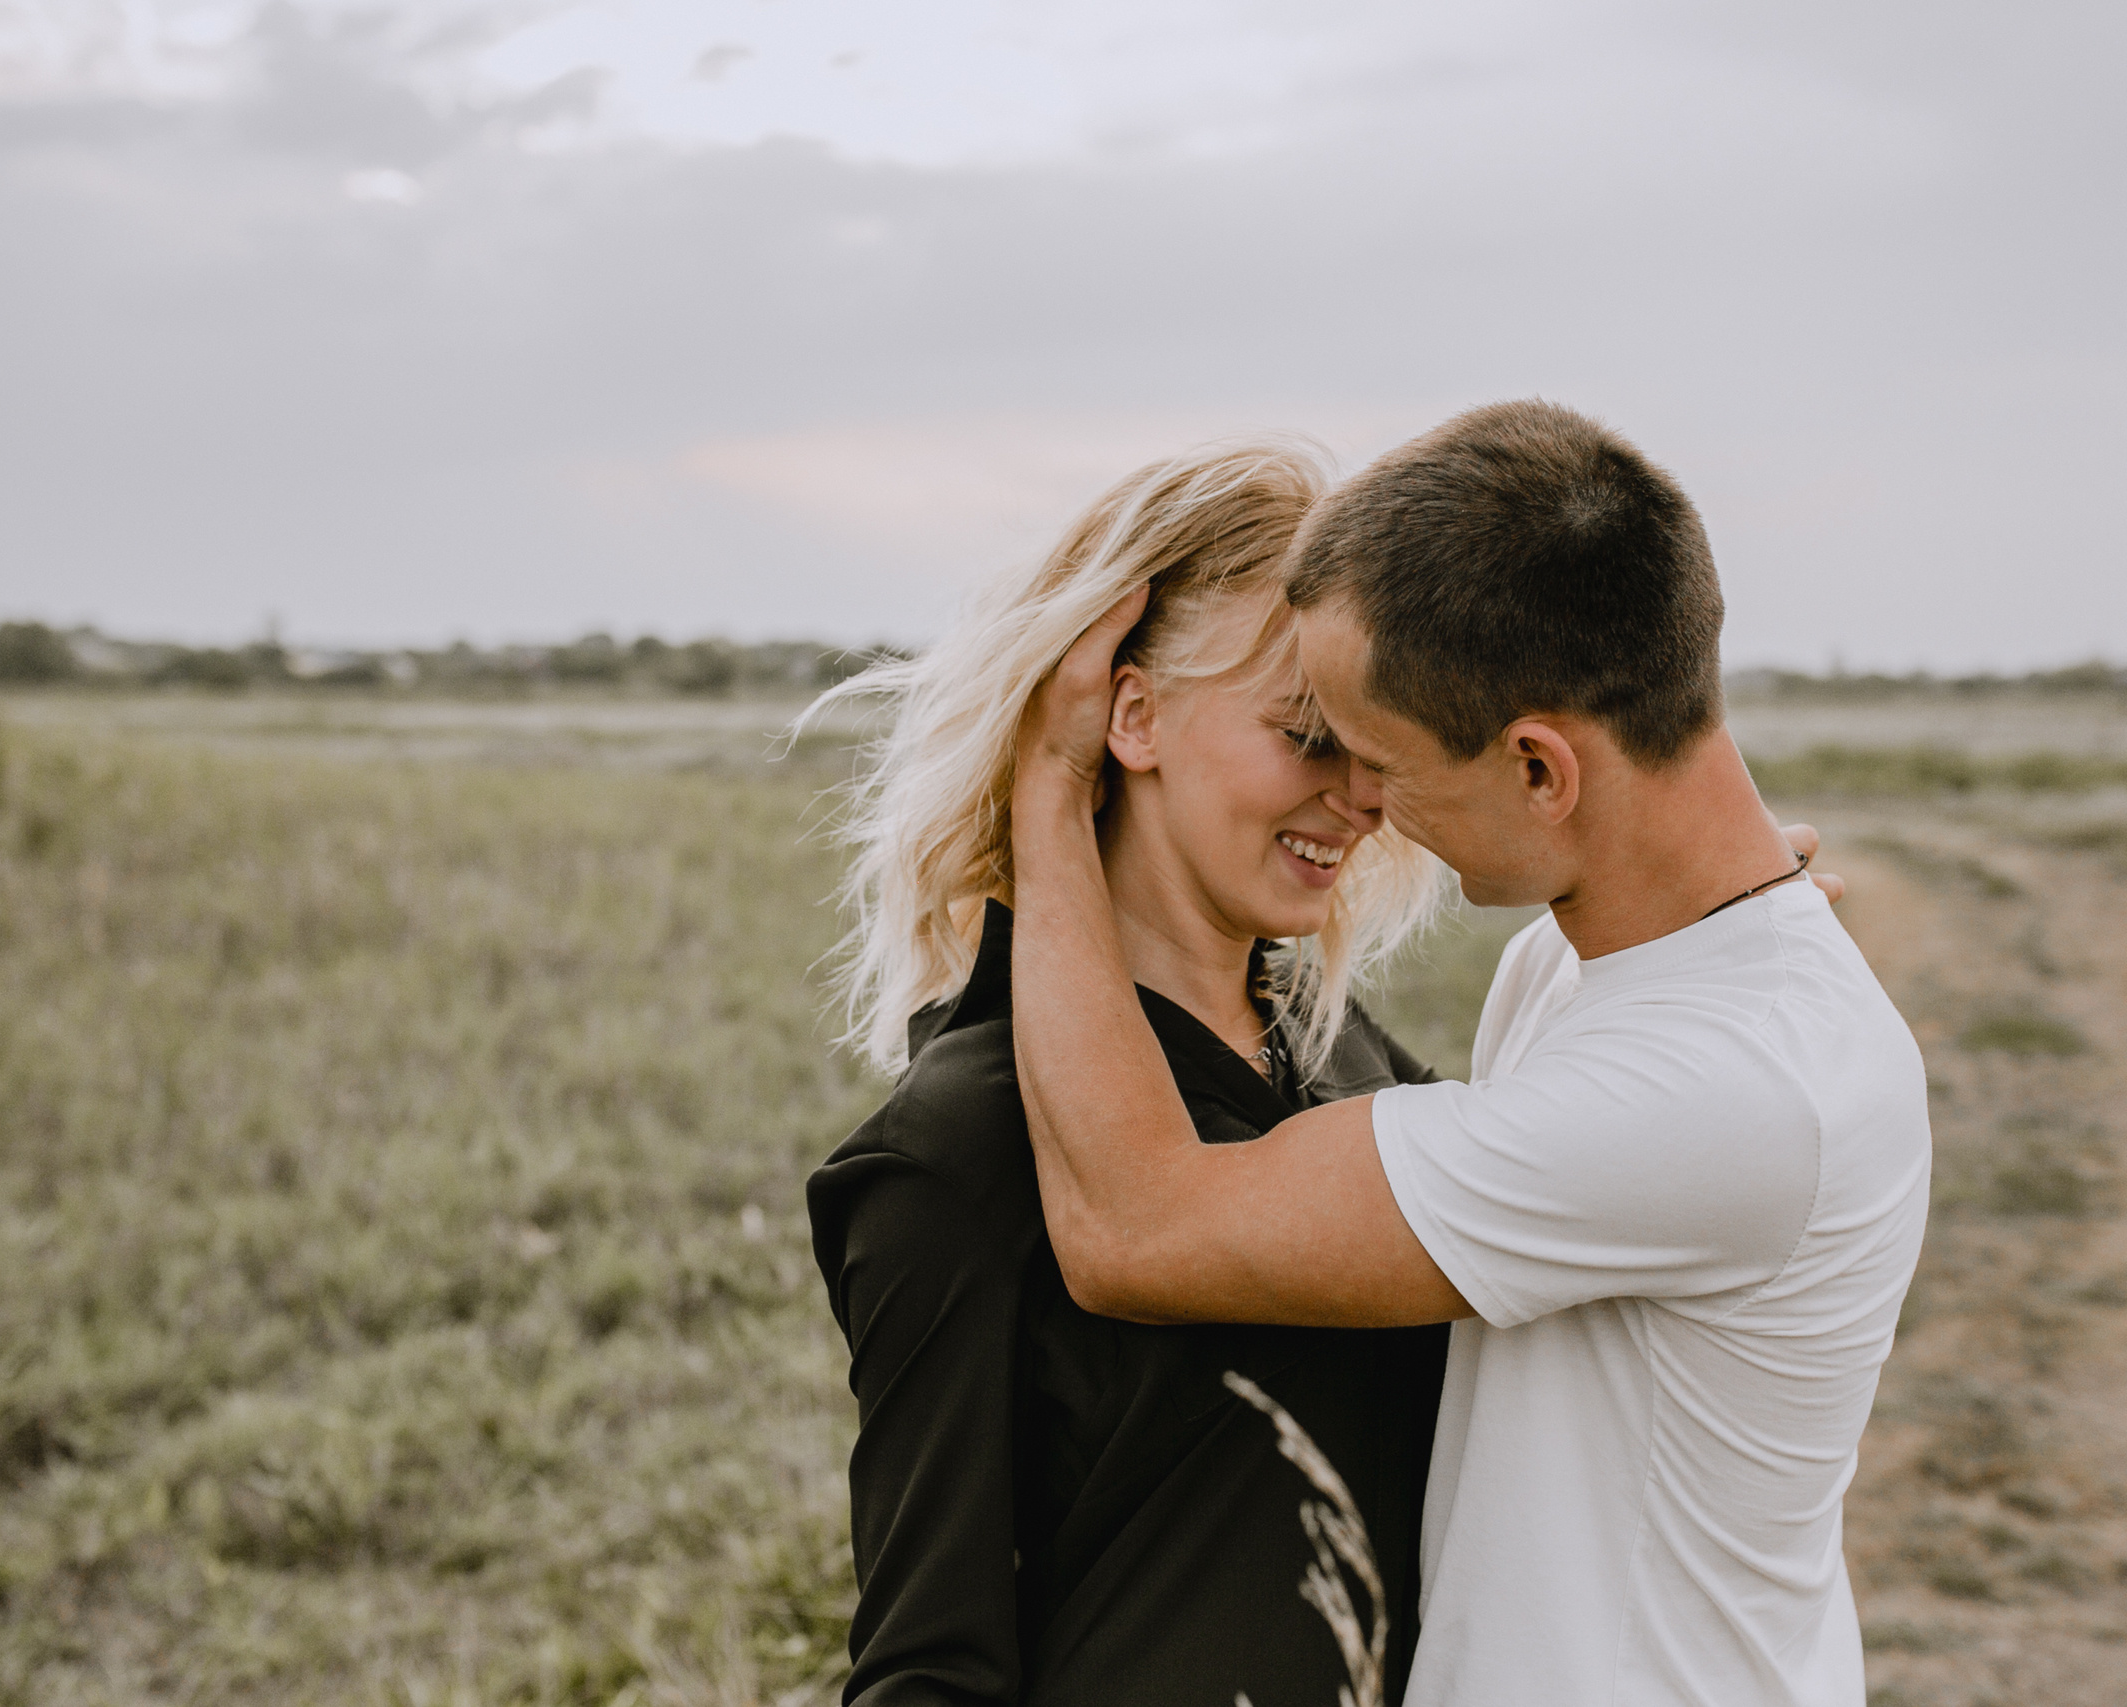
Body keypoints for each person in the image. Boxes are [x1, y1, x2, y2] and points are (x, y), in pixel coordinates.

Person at [1003, 401, 1933, 1706]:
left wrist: (1045, 792)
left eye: (1381, 756)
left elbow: (1131, 1227)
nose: (1367, 805)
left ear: (1542, 769)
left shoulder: (1723, 1082)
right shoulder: (1618, 962)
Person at [803, 440, 1460, 1706]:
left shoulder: (1353, 1065)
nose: (1362, 797)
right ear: (1130, 712)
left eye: (1376, 745)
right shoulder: (959, 1150)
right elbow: (930, 1662)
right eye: (1307, 734)